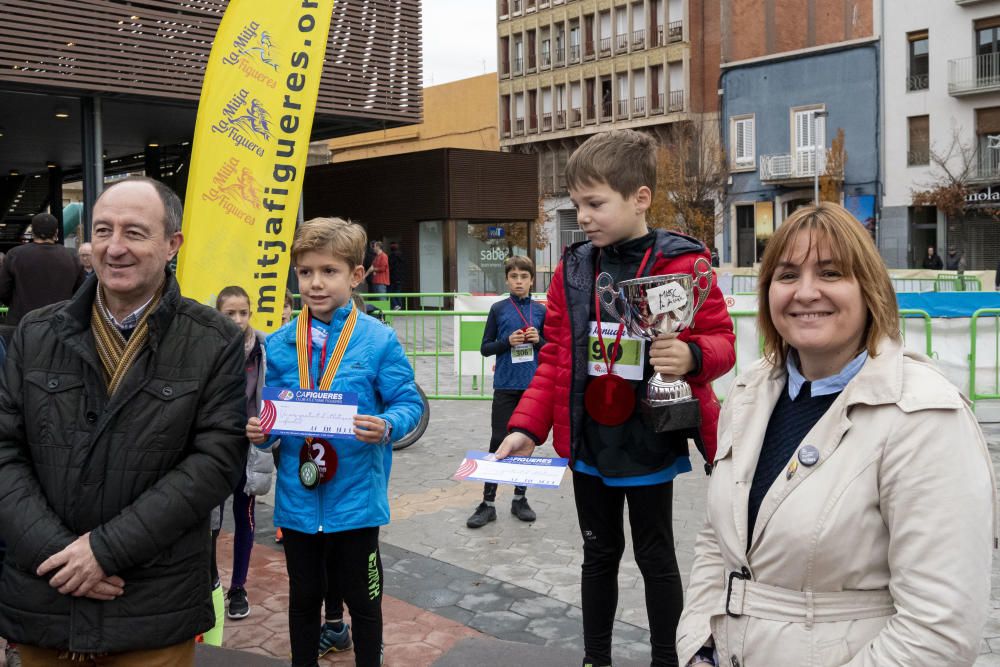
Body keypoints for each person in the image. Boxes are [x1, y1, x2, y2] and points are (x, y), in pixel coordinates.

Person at [675, 203, 996, 667]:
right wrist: (697, 647)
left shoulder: (924, 416)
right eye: (786, 276)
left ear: (869, 290)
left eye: (830, 273)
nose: (805, 292)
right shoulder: (748, 394)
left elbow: (937, 632)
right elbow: (718, 542)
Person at [496, 129, 736, 667]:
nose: (582, 215)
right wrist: (526, 428)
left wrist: (692, 357)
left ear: (640, 198)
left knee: (657, 557)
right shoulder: (574, 268)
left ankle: (665, 658)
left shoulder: (682, 264)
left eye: (595, 203)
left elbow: (725, 343)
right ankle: (595, 658)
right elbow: (555, 357)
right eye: (578, 203)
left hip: (650, 436)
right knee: (598, 555)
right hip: (589, 441)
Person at [0, 177, 247, 665]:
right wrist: (62, 555)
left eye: (134, 232)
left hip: (151, 603)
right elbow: (6, 450)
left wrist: (104, 551)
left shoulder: (212, 339)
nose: (114, 248)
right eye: (102, 230)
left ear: (172, 244)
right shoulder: (35, 333)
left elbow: (215, 463)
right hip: (47, 590)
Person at [246, 217, 423, 667]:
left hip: (357, 503)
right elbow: (276, 415)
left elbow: (408, 403)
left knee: (364, 602)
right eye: (305, 272)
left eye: (329, 271)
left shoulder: (379, 340)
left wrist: (386, 425)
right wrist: (264, 432)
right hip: (299, 501)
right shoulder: (282, 343)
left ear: (356, 275)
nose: (315, 283)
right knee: (303, 599)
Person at [466, 255, 547, 529]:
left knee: (525, 445)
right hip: (505, 386)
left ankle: (520, 498)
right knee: (498, 441)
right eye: (514, 277)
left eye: (524, 277)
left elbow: (551, 349)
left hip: (532, 388)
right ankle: (487, 504)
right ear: (507, 280)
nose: (519, 282)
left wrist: (539, 341)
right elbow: (485, 347)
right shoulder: (499, 309)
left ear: (532, 279)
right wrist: (506, 342)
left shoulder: (541, 310)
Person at [210, 286, 274, 620]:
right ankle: (209, 584)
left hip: (250, 448)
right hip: (214, 448)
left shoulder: (264, 349)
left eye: (243, 312)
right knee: (211, 521)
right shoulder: (206, 347)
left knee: (245, 517)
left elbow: (276, 394)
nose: (237, 320)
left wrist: (270, 432)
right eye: (229, 313)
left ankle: (238, 587)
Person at [0, 212, 87, 325]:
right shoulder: (72, 256)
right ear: (56, 232)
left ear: (33, 232)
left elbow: (3, 291)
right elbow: (81, 293)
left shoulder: (15, 254)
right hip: (60, 323)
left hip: (22, 323)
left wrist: (16, 302)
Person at [388, 242, 406, 310]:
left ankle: (396, 305)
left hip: (393, 278)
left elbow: (390, 267)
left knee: (390, 293)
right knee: (398, 292)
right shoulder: (402, 256)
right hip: (401, 278)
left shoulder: (391, 256)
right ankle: (400, 306)